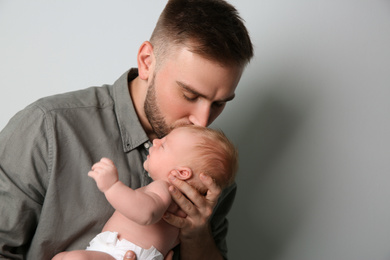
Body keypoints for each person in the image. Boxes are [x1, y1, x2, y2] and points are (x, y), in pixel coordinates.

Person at [0, 0, 253, 259]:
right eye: (189, 95)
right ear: (146, 62)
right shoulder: (47, 127)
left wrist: (196, 234)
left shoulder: (208, 169)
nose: (202, 121)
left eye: (219, 103)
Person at [52, 125, 238, 260]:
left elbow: (145, 213)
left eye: (164, 144)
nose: (155, 142)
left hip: (121, 252)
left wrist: (112, 186)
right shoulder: (187, 212)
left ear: (181, 173)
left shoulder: (165, 187)